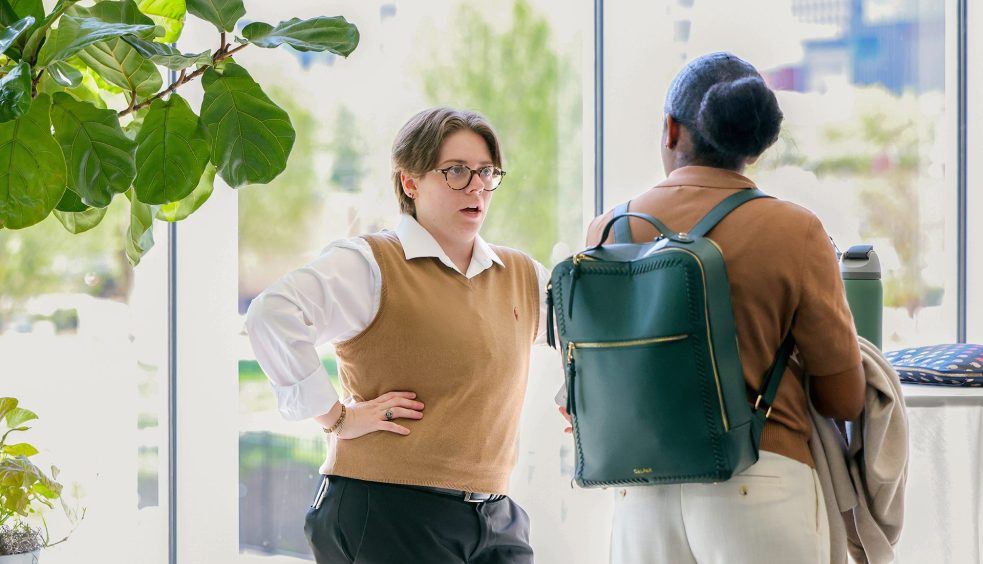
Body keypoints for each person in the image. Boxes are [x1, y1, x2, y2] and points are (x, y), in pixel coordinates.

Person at [573, 52, 866, 563]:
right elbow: (844, 399)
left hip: (641, 496)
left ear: (670, 129)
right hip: (760, 482)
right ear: (751, 146)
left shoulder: (608, 230)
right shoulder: (795, 231)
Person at [246, 107, 549, 564]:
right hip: (388, 510)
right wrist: (335, 419)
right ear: (410, 182)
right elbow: (272, 313)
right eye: (456, 172)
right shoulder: (371, 263)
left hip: (496, 517)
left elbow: (586, 335)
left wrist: (579, 394)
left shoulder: (521, 274)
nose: (477, 187)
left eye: (486, 172)